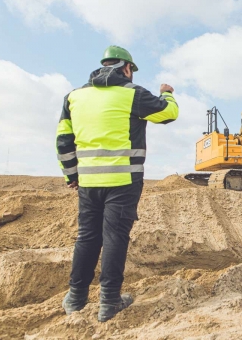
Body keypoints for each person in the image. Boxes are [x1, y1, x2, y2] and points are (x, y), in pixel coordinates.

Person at [55, 45, 178, 322]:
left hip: (88, 182)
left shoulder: (74, 96)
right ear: (126, 68)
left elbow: (63, 138)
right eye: (131, 70)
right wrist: (167, 93)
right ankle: (109, 301)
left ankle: (76, 298)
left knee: (87, 237)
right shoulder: (133, 94)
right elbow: (168, 114)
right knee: (114, 238)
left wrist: (71, 175)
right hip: (123, 181)